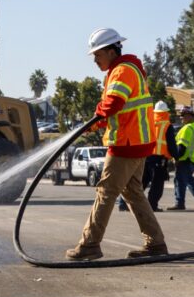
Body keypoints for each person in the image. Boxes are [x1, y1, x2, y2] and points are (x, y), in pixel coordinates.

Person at [66, 28, 167, 261]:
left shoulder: (121, 71)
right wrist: (92, 125)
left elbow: (112, 105)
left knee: (105, 192)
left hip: (126, 144)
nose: (95, 60)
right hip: (137, 142)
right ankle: (156, 243)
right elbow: (117, 111)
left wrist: (95, 116)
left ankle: (89, 244)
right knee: (133, 193)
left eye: (97, 54)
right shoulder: (126, 70)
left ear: (112, 51)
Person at [167, 106, 194, 210]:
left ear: (190, 116)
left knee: (180, 181)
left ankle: (179, 203)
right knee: (189, 180)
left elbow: (181, 148)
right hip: (193, 160)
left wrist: (177, 158)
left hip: (185, 159)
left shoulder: (186, 129)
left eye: (183, 116)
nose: (181, 118)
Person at [146, 101, 178, 211]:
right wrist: (176, 157)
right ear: (166, 112)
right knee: (157, 184)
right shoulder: (167, 126)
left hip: (146, 157)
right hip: (159, 159)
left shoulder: (149, 122)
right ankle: (152, 205)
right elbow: (171, 144)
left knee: (141, 183)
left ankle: (128, 204)